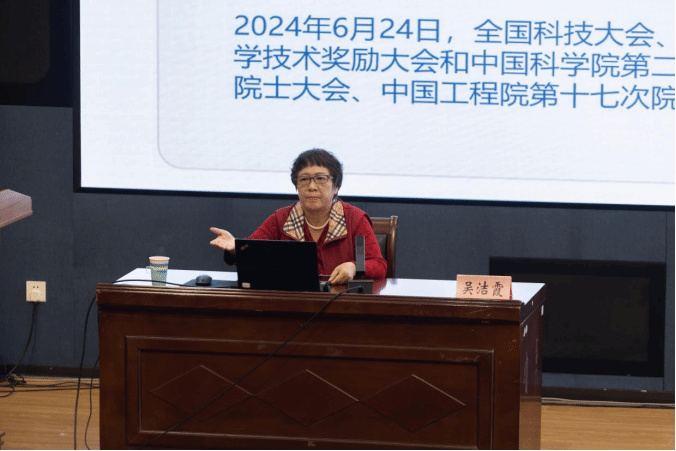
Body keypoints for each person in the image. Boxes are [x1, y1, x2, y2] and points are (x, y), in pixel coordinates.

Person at [210, 149, 387, 285]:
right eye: (304, 179)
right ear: (296, 186)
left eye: (320, 179)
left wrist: (354, 267)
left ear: (336, 186)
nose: (312, 187)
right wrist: (235, 248)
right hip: (292, 304)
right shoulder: (281, 219)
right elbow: (251, 251)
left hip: (341, 305)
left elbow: (378, 265)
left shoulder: (355, 219)